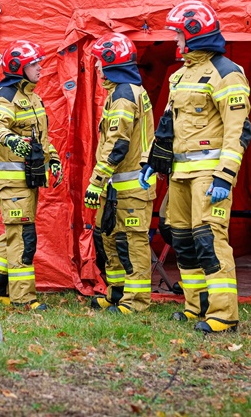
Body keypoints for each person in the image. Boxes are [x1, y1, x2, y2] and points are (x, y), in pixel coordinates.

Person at [140, 0, 251, 333]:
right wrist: (152, 161)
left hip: (209, 174)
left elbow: (237, 131)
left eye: (178, 33)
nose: (175, 39)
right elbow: (168, 126)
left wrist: (225, 177)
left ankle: (223, 314)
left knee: (209, 240)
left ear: (194, 34)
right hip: (180, 173)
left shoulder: (228, 74)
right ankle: (196, 306)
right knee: (183, 240)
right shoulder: (180, 75)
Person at [0, 39, 63, 311]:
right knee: (23, 238)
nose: (40, 68)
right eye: (34, 64)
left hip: (27, 181)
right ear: (18, 67)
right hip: (12, 183)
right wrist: (11, 140)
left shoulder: (32, 98)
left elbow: (41, 139)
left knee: (12, 233)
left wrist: (53, 159)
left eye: (39, 63)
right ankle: (23, 299)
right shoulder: (5, 97)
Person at [85, 32, 156, 314]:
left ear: (112, 61)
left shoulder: (124, 96)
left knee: (132, 242)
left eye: (99, 61)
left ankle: (135, 301)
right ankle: (116, 293)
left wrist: (96, 182)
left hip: (131, 186)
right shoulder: (120, 91)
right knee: (109, 237)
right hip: (118, 185)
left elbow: (116, 145)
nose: (96, 66)